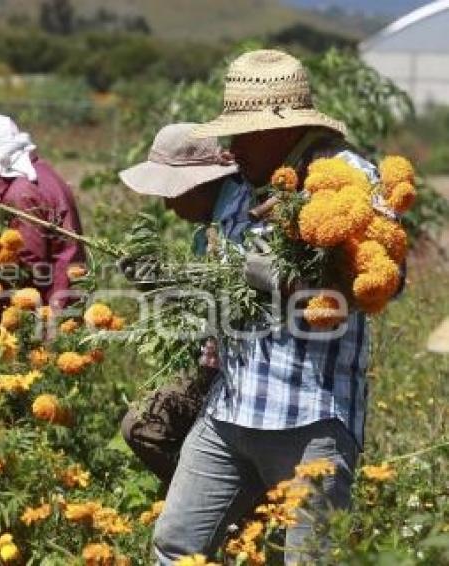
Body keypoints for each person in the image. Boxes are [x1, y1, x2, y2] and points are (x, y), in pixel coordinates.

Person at [152, 49, 397, 565]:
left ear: (278, 130)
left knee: (310, 559)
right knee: (175, 545)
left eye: (242, 133)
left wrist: (288, 281)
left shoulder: (346, 176)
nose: (231, 145)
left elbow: (387, 283)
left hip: (310, 415)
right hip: (231, 407)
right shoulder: (242, 184)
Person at [116, 123, 239, 485]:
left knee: (145, 427)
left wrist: (168, 283)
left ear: (198, 183)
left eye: (171, 192)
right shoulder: (208, 224)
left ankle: (224, 506)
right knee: (142, 427)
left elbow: (226, 299)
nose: (167, 205)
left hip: (236, 364)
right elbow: (198, 301)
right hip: (213, 354)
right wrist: (157, 284)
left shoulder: (238, 219)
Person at [0, 113, 84, 309]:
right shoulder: (42, 172)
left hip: (46, 309)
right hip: (66, 299)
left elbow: (26, 269)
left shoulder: (20, 194)